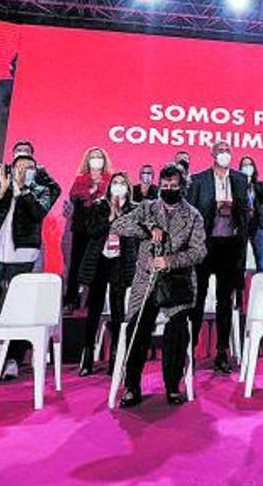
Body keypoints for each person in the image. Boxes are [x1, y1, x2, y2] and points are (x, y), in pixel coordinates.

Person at [111, 165, 206, 407]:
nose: (168, 190)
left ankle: (173, 385)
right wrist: (148, 229)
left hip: (177, 282)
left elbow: (199, 251)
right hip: (145, 281)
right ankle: (131, 386)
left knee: (177, 331)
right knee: (136, 329)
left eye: (173, 186)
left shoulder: (193, 215)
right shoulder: (146, 208)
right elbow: (118, 226)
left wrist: (171, 261)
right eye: (164, 186)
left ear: (182, 186)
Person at [0, 148, 61, 381]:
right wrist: (1, 191)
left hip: (23, 256)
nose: (23, 171)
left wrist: (24, 190)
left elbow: (38, 213)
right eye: (19, 167)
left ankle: (13, 359)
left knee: (20, 308)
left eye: (29, 168)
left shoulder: (41, 190)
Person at [185, 141, 249, 374]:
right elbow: (191, 212)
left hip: (230, 244)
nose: (224, 154)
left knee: (225, 300)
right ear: (212, 154)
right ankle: (190, 350)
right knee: (198, 298)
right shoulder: (199, 179)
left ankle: (222, 352)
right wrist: (215, 206)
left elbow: (245, 213)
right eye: (220, 151)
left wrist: (236, 211)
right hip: (205, 244)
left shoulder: (241, 179)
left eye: (227, 151)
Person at [77, 172, 139, 376]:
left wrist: (121, 218)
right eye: (115, 183)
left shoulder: (134, 209)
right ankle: (87, 355)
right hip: (99, 260)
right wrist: (110, 218)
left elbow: (136, 235)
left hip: (120, 262)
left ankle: (116, 354)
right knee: (94, 308)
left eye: (122, 183)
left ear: (128, 189)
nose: (119, 186)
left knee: (118, 309)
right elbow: (91, 231)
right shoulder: (99, 206)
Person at [65, 147, 112, 311]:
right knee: (76, 264)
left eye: (99, 157)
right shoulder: (80, 179)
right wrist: (91, 191)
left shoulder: (110, 179)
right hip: (81, 227)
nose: (96, 159)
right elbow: (74, 196)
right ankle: (71, 300)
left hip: (100, 229)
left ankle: (93, 302)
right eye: (93, 157)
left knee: (97, 264)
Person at [240, 156, 263, 272]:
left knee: (262, 259)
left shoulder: (259, 185)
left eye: (249, 165)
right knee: (239, 258)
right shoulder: (238, 185)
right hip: (242, 223)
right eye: (244, 165)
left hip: (258, 223)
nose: (247, 167)